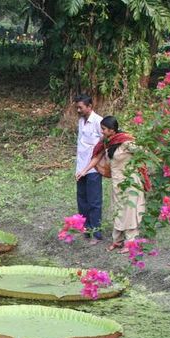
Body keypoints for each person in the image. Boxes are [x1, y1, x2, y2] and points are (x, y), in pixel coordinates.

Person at [75, 116, 146, 251]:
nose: (101, 132)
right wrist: (84, 171)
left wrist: (135, 167)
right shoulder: (108, 142)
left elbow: (144, 153)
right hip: (117, 182)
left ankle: (130, 243)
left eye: (104, 129)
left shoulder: (126, 142)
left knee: (129, 211)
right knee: (118, 210)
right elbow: (97, 157)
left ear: (112, 130)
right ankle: (117, 240)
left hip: (130, 182)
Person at [74, 94, 104, 243]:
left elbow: (104, 144)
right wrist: (79, 169)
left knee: (94, 201)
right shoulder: (80, 121)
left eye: (81, 107)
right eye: (77, 107)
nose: (78, 110)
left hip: (93, 169)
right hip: (80, 168)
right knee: (82, 200)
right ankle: (86, 229)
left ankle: (97, 233)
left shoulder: (99, 122)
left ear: (90, 107)